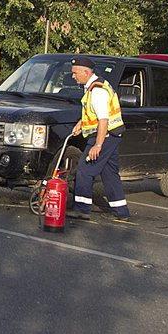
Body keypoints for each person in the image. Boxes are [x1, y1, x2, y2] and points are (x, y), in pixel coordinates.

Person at [66, 56, 130, 222]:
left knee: (84, 170)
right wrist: (81, 123)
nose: (73, 76)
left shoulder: (97, 91)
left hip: (105, 136)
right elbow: (93, 112)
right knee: (109, 173)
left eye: (75, 73)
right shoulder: (95, 86)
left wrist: (98, 145)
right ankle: (121, 210)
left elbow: (103, 119)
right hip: (112, 135)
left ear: (86, 73)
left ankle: (82, 208)